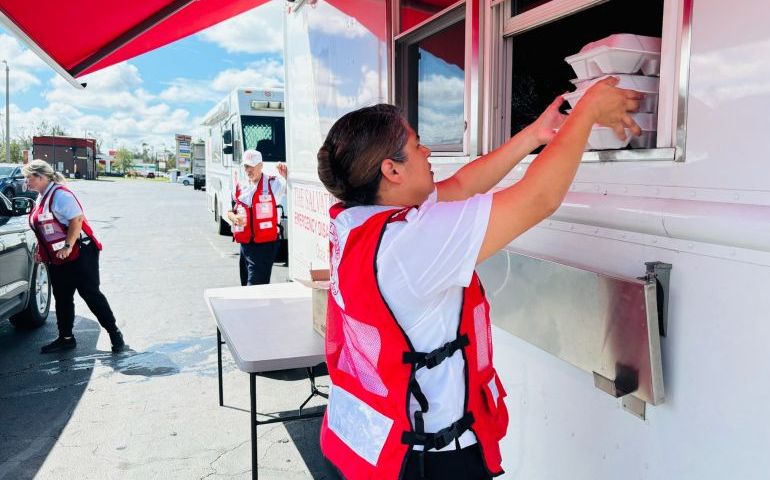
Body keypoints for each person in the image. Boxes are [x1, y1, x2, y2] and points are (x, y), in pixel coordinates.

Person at [316, 77, 643, 480]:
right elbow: (539, 198)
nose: (428, 150)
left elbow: (462, 184)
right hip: (425, 462)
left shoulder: (359, 222)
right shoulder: (411, 244)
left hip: (362, 445)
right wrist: (589, 109)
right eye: (417, 144)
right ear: (392, 170)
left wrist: (535, 136)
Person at [23, 159, 125, 354]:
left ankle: (114, 333)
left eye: (29, 177)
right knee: (62, 297)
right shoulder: (41, 197)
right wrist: (40, 251)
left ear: (41, 176)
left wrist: (68, 246)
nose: (27, 181)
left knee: (90, 294)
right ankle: (66, 338)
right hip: (58, 256)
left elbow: (76, 220)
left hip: (80, 252)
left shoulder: (61, 195)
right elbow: (44, 228)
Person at [226, 149, 288, 286]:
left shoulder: (273, 184)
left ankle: (256, 307)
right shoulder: (240, 186)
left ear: (261, 165)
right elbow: (231, 211)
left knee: (254, 286)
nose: (249, 170)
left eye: (252, 166)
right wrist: (234, 218)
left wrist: (286, 175)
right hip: (245, 245)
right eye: (246, 166)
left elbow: (292, 187)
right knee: (246, 284)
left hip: (264, 245)